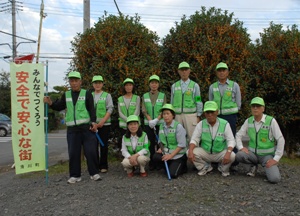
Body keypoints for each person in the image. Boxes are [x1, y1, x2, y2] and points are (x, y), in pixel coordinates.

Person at [43, 71, 101, 183]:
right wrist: (50, 103)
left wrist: (93, 122)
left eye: (76, 80)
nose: (74, 83)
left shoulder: (87, 93)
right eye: (71, 81)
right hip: (72, 129)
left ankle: (94, 173)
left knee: (91, 151)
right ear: (69, 82)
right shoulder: (66, 94)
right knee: (74, 152)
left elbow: (92, 109)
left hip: (86, 128)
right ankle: (75, 175)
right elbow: (59, 106)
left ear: (80, 81)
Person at [235, 97, 285, 183]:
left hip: (267, 156)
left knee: (275, 179)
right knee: (239, 154)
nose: (255, 108)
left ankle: (267, 168)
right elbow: (238, 135)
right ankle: (252, 166)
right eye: (253, 106)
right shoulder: (249, 121)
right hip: (252, 155)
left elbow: (280, 139)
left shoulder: (271, 121)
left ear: (263, 108)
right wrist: (240, 147)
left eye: (258, 106)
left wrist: (276, 159)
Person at [187, 101, 236, 177]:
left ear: (217, 112)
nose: (210, 115)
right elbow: (194, 139)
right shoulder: (201, 124)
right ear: (204, 113)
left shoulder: (225, 124)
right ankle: (205, 167)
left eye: (212, 112)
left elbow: (231, 140)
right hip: (205, 152)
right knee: (189, 152)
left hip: (220, 152)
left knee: (232, 155)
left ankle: (223, 168)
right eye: (207, 112)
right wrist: (190, 151)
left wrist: (228, 152)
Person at [152, 104, 187, 178]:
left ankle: (182, 167)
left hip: (178, 155)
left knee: (172, 175)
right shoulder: (162, 126)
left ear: (173, 115)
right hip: (167, 153)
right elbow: (161, 141)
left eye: (168, 113)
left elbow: (181, 145)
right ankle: (171, 165)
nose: (165, 116)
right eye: (164, 114)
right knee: (155, 157)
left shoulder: (178, 126)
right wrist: (161, 148)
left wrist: (171, 156)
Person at [171, 61, 203, 142]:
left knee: (192, 137)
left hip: (191, 116)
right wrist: (172, 114)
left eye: (186, 70)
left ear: (189, 71)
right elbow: (172, 101)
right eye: (182, 70)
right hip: (177, 116)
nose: (184, 72)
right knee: (177, 137)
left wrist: (199, 115)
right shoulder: (174, 86)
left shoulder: (195, 85)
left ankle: (192, 154)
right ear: (178, 71)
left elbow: (198, 100)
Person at [209, 62, 241, 136]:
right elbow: (210, 102)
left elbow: (238, 102)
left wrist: (235, 113)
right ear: (216, 73)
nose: (221, 72)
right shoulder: (212, 87)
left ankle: (233, 148)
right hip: (217, 116)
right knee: (219, 135)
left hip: (231, 116)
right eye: (219, 71)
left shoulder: (234, 85)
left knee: (232, 136)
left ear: (227, 72)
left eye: (224, 70)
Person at [141, 75, 167, 170]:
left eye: (156, 83)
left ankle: (160, 162)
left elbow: (164, 109)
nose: (154, 85)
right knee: (150, 143)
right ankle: (152, 162)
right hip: (149, 124)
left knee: (160, 143)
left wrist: (157, 119)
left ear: (158, 84)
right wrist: (150, 120)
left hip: (159, 123)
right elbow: (144, 109)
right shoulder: (145, 96)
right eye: (152, 83)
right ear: (149, 84)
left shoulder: (162, 95)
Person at [91, 75, 114, 173]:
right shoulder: (89, 95)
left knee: (103, 145)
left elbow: (110, 108)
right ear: (93, 84)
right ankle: (95, 166)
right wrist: (93, 123)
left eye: (99, 83)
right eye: (95, 83)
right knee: (93, 146)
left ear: (102, 84)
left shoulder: (107, 95)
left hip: (104, 125)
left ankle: (103, 165)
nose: (97, 85)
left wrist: (102, 122)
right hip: (93, 125)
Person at [117, 78, 141, 149]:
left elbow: (137, 111)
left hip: (134, 126)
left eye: (130, 85)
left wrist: (131, 121)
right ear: (124, 87)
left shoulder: (137, 98)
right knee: (125, 143)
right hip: (123, 125)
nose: (128, 87)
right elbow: (120, 112)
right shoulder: (120, 99)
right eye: (126, 85)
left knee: (136, 144)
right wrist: (127, 120)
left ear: (133, 86)